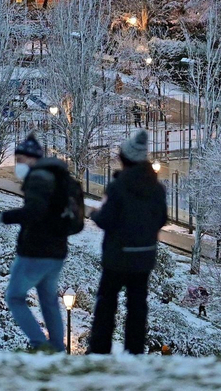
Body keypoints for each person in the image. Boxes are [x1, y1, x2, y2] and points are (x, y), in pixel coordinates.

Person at [0, 133, 78, 352]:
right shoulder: (57, 177)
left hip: (35, 250)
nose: (18, 165)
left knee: (14, 297)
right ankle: (56, 350)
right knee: (49, 302)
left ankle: (40, 344)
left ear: (32, 159)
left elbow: (34, 211)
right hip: (57, 251)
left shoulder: (38, 178)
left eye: (21, 159)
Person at [87, 129, 167, 354]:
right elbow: (161, 219)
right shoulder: (157, 188)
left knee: (106, 302)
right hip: (144, 256)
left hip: (117, 257)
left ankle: (99, 349)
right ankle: (134, 350)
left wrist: (95, 214)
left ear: (126, 158)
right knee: (138, 305)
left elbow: (107, 220)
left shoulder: (118, 187)